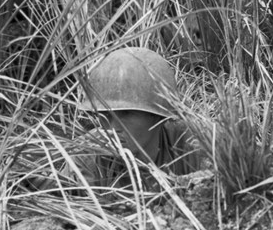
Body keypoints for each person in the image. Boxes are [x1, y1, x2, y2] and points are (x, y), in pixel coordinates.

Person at [79, 47, 200, 175]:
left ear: (159, 116)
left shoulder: (193, 145)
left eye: (126, 113)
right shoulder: (84, 157)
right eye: (106, 115)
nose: (113, 128)